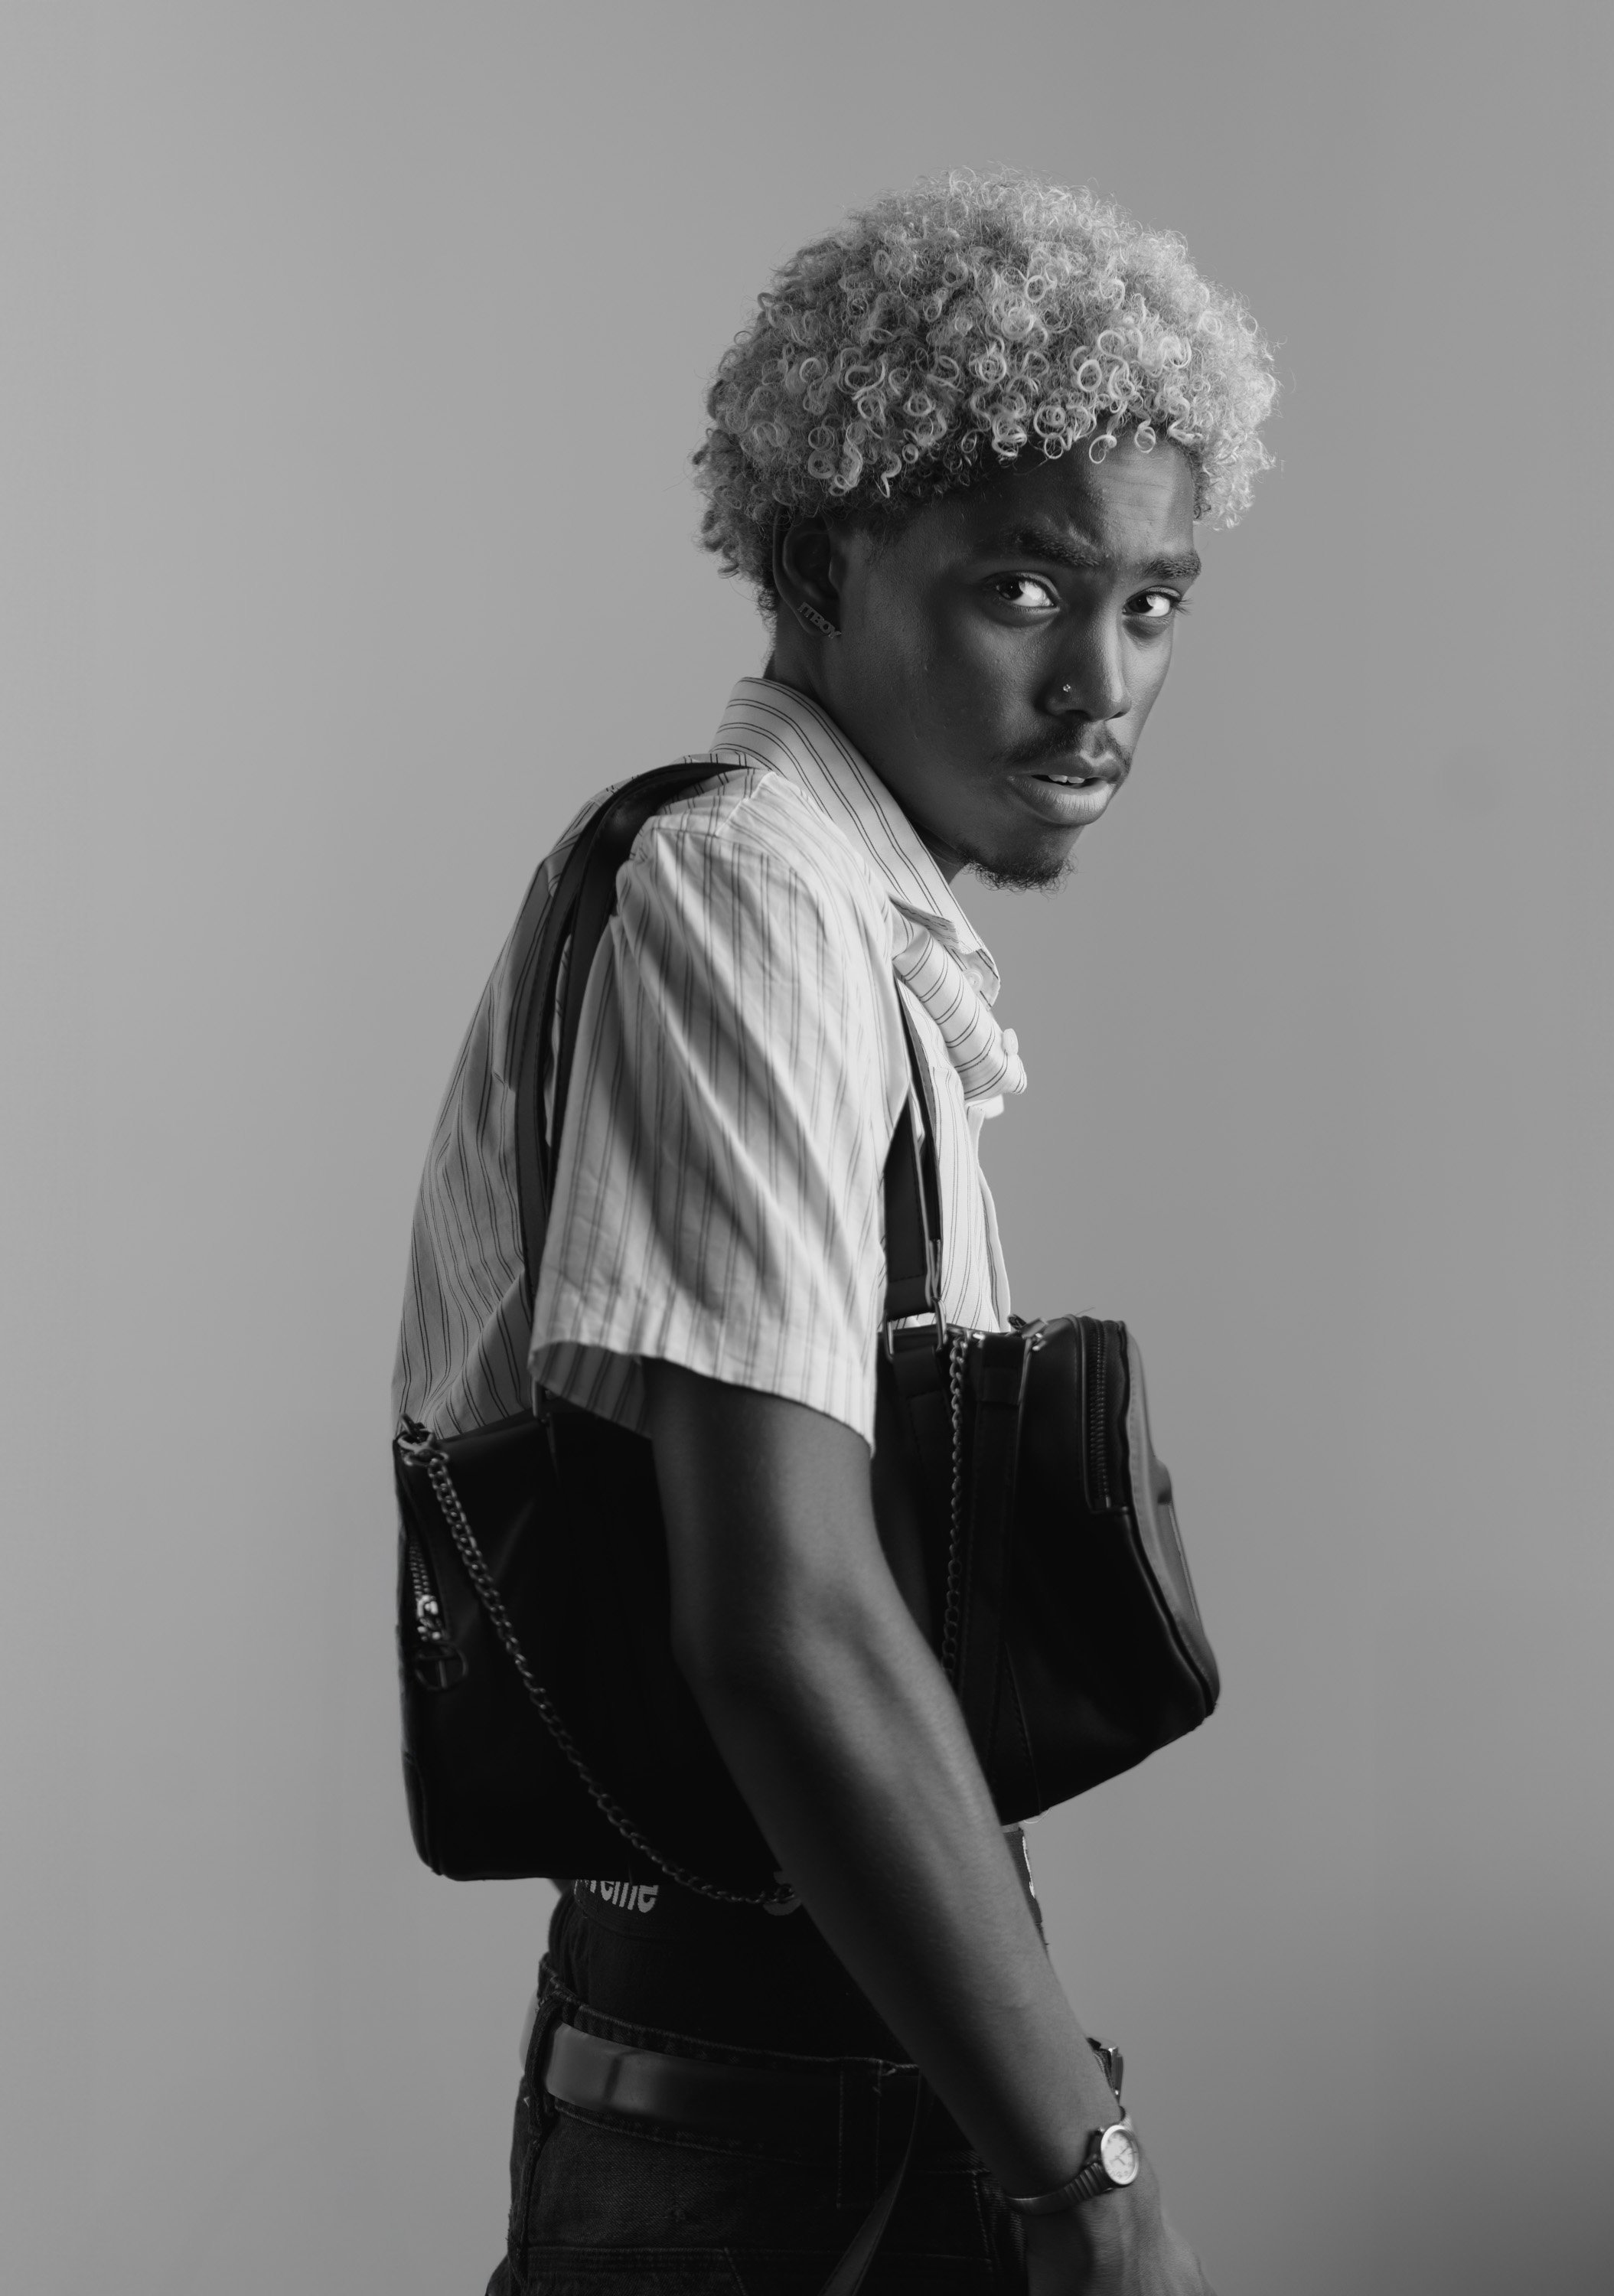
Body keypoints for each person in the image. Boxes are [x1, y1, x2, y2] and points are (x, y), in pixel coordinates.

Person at [395, 168, 1276, 2294]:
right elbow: (784, 1620)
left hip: (798, 2070)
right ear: (820, 559)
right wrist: (1089, 2173)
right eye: (1023, 590)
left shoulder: (820, 917)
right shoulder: (756, 903)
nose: (1105, 683)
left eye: (1151, 603)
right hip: (787, 2117)